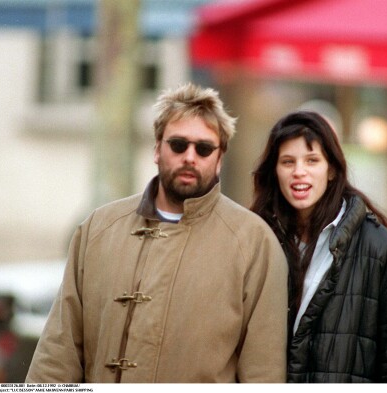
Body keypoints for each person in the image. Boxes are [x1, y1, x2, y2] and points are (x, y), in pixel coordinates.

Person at [26, 83, 288, 383]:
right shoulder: (98, 229)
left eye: (203, 148)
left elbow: (263, 373)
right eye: (178, 144)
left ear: (219, 160)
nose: (190, 157)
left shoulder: (253, 243)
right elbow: (58, 353)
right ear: (156, 149)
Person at [251, 110, 387, 383]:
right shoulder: (258, 240)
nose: (299, 172)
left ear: (333, 169)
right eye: (287, 162)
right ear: (274, 171)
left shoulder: (381, 249)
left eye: (312, 160)